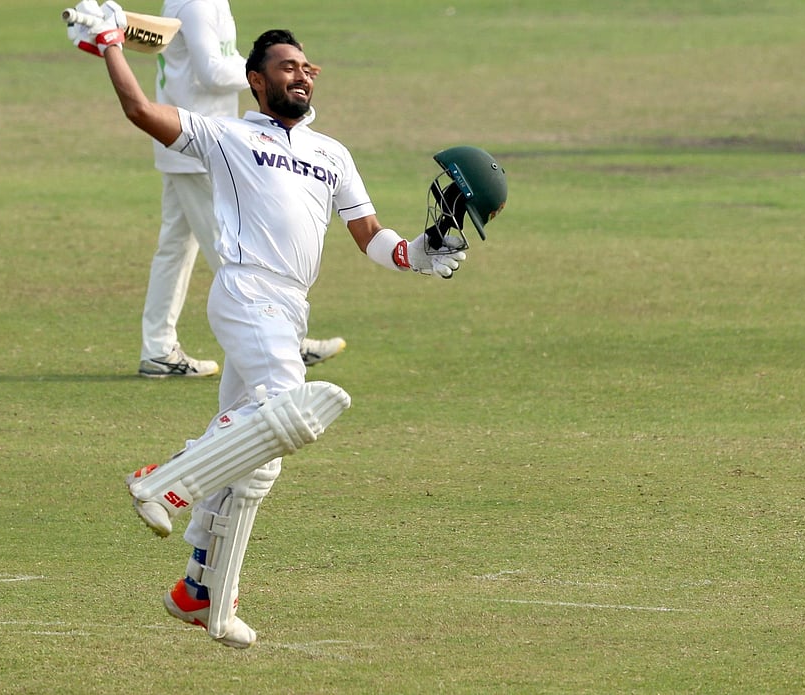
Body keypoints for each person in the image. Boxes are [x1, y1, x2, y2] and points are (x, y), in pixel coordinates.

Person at [66, 1, 505, 648]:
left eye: (306, 67)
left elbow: (370, 237)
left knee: (260, 464)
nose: (300, 76)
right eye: (285, 67)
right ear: (257, 80)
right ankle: (161, 483)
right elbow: (141, 112)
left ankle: (201, 592)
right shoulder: (228, 136)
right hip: (246, 291)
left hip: (290, 304)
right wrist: (109, 44)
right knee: (287, 407)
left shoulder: (333, 154)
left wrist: (420, 252)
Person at [136, 0, 346, 378]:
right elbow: (213, 71)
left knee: (174, 249)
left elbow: (219, 58)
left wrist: (278, 70)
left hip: (196, 144)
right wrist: (269, 72)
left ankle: (158, 348)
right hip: (204, 146)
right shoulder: (197, 5)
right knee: (234, 250)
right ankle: (285, 343)